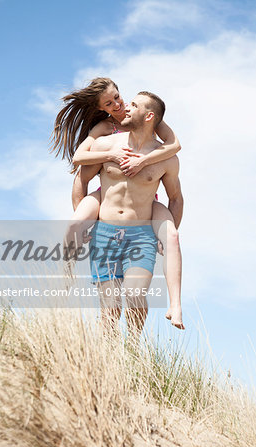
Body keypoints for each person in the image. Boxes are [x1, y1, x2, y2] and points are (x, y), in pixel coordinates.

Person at [52, 78, 183, 328]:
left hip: (144, 206)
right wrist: (86, 219)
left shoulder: (155, 130)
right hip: (107, 198)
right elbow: (80, 163)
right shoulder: (104, 132)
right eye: (110, 103)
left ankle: (174, 307)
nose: (120, 105)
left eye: (119, 98)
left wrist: (143, 162)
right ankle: (65, 277)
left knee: (169, 241)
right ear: (102, 108)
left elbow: (175, 146)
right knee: (75, 226)